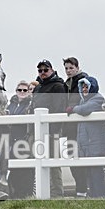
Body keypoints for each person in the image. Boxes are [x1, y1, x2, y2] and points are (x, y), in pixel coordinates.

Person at [67, 76, 105, 198]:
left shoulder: (98, 98)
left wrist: (73, 109)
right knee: (90, 173)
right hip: (86, 144)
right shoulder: (82, 101)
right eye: (83, 87)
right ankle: (94, 196)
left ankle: (101, 197)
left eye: (87, 87)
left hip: (95, 144)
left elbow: (85, 110)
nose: (85, 89)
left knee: (97, 173)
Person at [31, 59, 66, 197]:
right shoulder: (39, 87)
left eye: (46, 70)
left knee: (53, 162)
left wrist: (54, 130)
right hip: (38, 131)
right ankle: (42, 191)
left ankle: (57, 192)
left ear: (52, 70)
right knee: (39, 161)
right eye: (40, 70)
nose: (43, 73)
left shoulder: (58, 86)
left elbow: (59, 109)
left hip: (52, 131)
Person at [62, 57, 90, 197]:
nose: (68, 71)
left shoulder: (84, 81)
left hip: (80, 127)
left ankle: (83, 190)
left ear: (78, 68)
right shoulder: (66, 83)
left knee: (80, 160)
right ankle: (81, 190)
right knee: (73, 159)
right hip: (70, 128)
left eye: (71, 68)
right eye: (66, 68)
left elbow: (86, 99)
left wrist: (73, 108)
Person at [6, 80, 34, 198]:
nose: (22, 92)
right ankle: (15, 194)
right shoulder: (11, 104)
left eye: (25, 90)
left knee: (25, 170)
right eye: (19, 90)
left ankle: (25, 194)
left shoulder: (30, 105)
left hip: (24, 140)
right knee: (13, 170)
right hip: (11, 141)